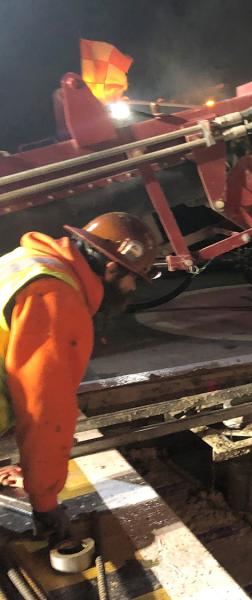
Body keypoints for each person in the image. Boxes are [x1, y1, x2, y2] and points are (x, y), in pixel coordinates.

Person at [0, 212, 158, 544]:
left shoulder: (30, 262)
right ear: (114, 268)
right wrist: (44, 503)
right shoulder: (57, 297)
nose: (131, 291)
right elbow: (44, 410)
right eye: (135, 280)